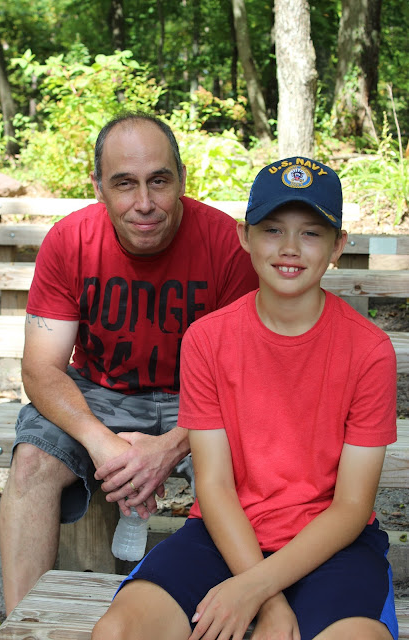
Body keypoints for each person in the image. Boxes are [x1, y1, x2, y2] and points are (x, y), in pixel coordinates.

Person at [92, 157, 398, 640]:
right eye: (272, 230)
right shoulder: (207, 340)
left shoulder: (369, 350)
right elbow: (214, 486)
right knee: (117, 632)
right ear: (244, 236)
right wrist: (268, 601)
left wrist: (254, 588)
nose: (290, 248)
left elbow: (352, 505)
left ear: (338, 245)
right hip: (226, 536)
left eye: (311, 233)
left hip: (331, 545)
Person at [0, 111, 258, 614]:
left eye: (159, 181)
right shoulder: (70, 240)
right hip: (99, 392)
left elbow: (243, 378)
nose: (144, 203)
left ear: (182, 179)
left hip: (203, 399)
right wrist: (105, 445)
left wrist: (169, 447)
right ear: (98, 187)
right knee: (31, 463)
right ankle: (23, 623)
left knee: (255, 470)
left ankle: (251, 608)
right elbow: (41, 368)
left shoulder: (227, 244)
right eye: (124, 184)